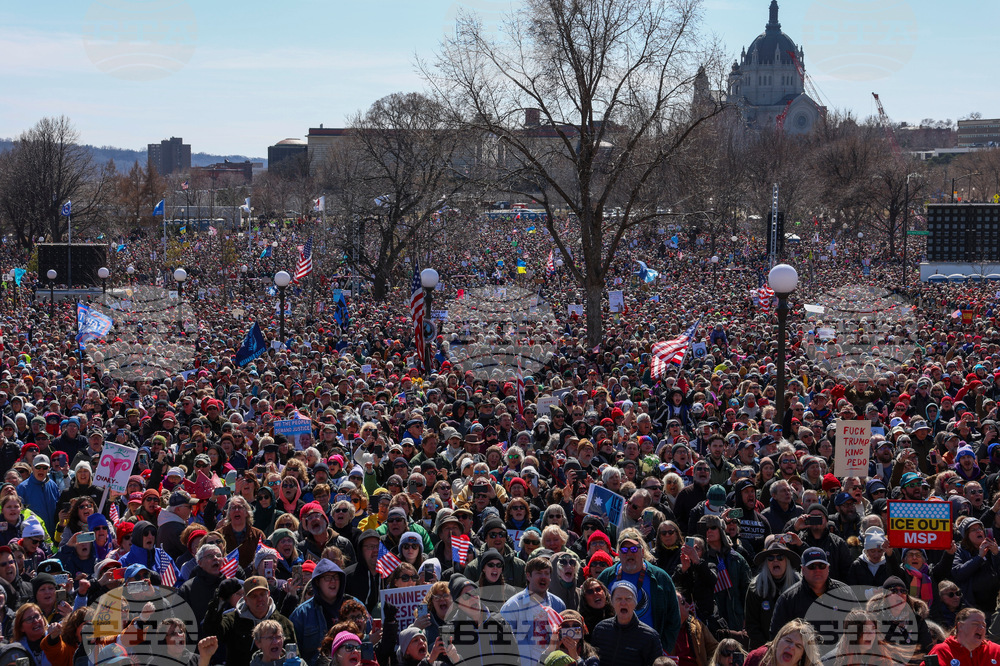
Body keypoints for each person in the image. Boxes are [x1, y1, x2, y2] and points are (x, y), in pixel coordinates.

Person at [596, 528, 681, 653]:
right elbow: (594, 612)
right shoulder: (607, 577)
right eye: (624, 550)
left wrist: (664, 650)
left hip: (649, 649)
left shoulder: (660, 578)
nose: (629, 553)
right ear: (619, 554)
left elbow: (674, 618)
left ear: (642, 551)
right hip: (614, 648)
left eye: (634, 549)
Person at [206, 576, 297, 666]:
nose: (259, 599)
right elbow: (211, 632)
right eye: (254, 596)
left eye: (262, 594)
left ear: (268, 594)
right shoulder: (232, 621)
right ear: (245, 599)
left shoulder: (283, 623)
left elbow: (294, 656)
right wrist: (219, 601)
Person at [770, 548, 855, 639]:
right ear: (802, 569)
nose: (817, 570)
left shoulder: (845, 592)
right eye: (812, 566)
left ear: (828, 568)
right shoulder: (788, 599)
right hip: (805, 652)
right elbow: (777, 636)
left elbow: (859, 626)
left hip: (839, 651)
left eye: (821, 565)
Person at [288, 558, 352, 664]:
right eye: (328, 577)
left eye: (336, 577)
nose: (333, 581)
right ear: (317, 582)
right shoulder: (301, 614)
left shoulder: (354, 606)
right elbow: (295, 655)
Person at [590, 580, 664, 666]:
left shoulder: (650, 637)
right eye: (619, 599)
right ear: (612, 602)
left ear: (635, 603)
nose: (623, 603)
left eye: (628, 599)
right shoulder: (601, 629)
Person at [746, 537, 801, 649]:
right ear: (766, 563)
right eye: (770, 558)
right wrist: (769, 648)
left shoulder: (799, 586)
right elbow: (752, 626)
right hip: (763, 649)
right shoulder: (755, 587)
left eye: (780, 557)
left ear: (787, 561)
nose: (775, 561)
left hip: (793, 648)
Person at [928, 608, 1000, 666]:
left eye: (983, 625)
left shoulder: (995, 651)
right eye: (975, 624)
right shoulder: (942, 651)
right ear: (960, 626)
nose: (981, 628)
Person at [745, 619, 821, 666]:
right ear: (777, 641)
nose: (791, 647)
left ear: (801, 656)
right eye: (788, 641)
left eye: (798, 646)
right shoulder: (756, 658)